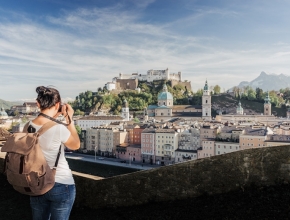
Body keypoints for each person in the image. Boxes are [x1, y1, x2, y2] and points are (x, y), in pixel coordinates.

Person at [29, 86, 80, 220]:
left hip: (36, 182)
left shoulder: (27, 126)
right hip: (61, 183)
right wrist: (69, 119)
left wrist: (55, 114)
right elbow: (76, 145)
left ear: (37, 103)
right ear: (57, 104)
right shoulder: (59, 128)